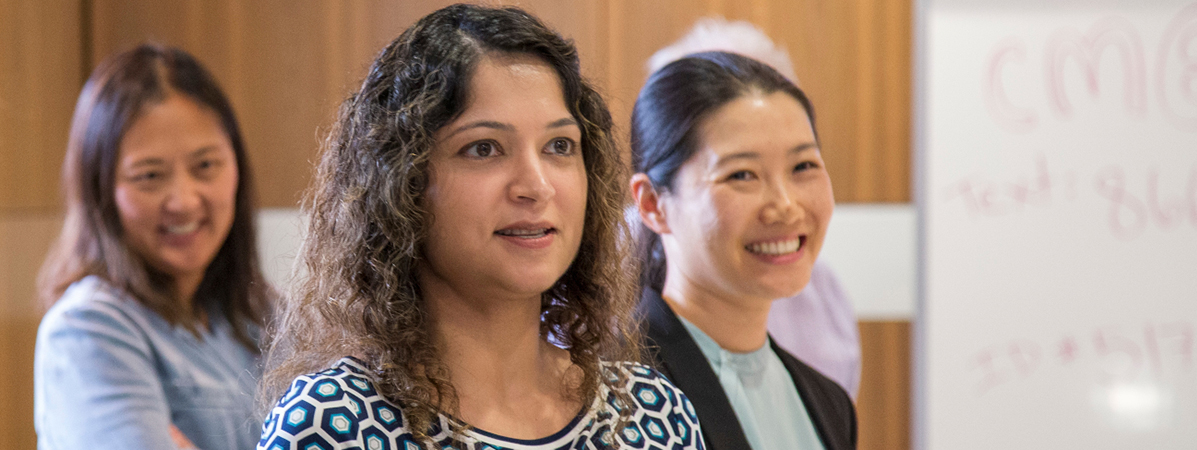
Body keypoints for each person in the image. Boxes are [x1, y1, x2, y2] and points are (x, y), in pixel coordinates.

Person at [256, 5, 704, 450]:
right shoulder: (334, 423)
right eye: (484, 148)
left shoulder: (652, 414)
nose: (536, 185)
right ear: (401, 185)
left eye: (559, 146)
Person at [34, 44, 271, 450]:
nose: (183, 200)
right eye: (149, 176)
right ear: (101, 190)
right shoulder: (89, 329)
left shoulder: (268, 317)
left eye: (205, 166)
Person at [630, 51, 857, 450]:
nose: (785, 205)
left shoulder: (830, 403)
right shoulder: (615, 391)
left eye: (803, 166)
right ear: (652, 203)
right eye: (742, 174)